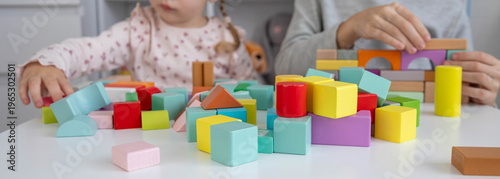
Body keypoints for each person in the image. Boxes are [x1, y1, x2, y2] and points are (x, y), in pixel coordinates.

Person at [18, 0, 260, 108]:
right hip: (147, 135)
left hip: (209, 138)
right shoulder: (139, 29)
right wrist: (48, 63)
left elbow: (251, 93)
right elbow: (89, 49)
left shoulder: (227, 39)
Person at [275, 0, 500, 107]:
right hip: (333, 121)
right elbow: (285, 71)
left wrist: (480, 92)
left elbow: (467, 91)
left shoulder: (450, 6)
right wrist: (347, 30)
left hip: (426, 129)